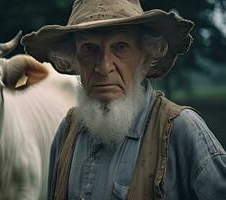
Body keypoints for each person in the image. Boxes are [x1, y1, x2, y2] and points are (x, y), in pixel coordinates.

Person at [21, 0, 226, 199]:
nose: (103, 67)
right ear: (75, 61)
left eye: (120, 47)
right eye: (89, 49)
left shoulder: (181, 130)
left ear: (145, 58)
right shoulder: (67, 130)